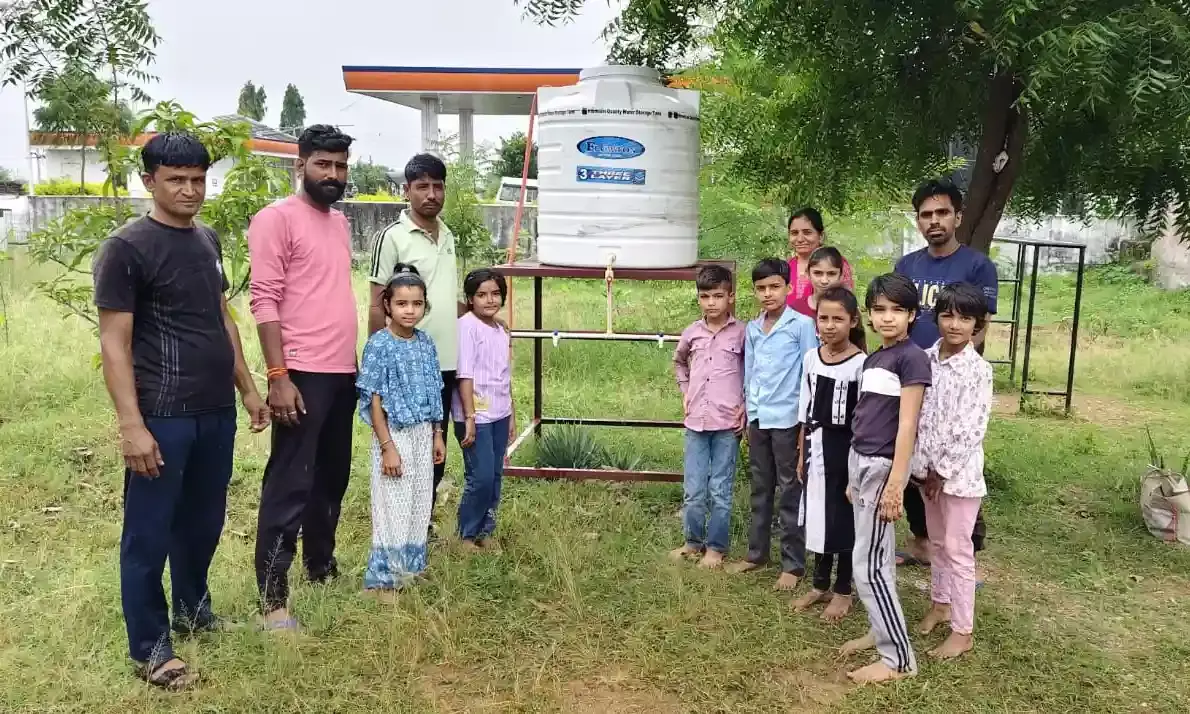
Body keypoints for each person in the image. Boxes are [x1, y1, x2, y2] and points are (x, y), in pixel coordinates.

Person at [93, 132, 269, 689]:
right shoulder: (127, 249)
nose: (190, 190)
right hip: (162, 414)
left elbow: (222, 318)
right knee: (148, 533)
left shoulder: (206, 239)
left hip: (215, 409)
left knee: (203, 522)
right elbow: (114, 343)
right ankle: (151, 648)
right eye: (176, 180)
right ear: (149, 181)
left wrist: (247, 388)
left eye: (198, 179)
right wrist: (131, 425)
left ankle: (194, 612)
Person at [249, 124, 357, 631]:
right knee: (290, 483)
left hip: (342, 371)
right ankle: (274, 600)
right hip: (300, 373)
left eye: (340, 166)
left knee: (332, 477)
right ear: (301, 165)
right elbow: (264, 300)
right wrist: (278, 375)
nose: (333, 174)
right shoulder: (275, 219)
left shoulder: (340, 223)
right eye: (323, 164)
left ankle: (321, 565)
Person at [893, 179, 998, 566]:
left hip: (953, 380)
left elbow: (982, 324)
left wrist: (956, 360)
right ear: (918, 221)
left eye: (942, 213)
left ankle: (965, 549)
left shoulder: (977, 266)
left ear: (958, 217)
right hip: (911, 377)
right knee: (911, 454)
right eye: (926, 215)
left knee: (956, 461)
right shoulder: (907, 266)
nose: (934, 220)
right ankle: (923, 540)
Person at [839, 273, 931, 684]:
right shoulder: (875, 358)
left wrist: (896, 483)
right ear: (869, 315)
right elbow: (865, 416)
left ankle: (897, 660)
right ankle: (879, 630)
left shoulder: (912, 359)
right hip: (860, 462)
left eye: (897, 310)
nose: (888, 317)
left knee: (868, 565)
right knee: (878, 556)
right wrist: (852, 477)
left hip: (882, 467)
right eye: (879, 309)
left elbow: (907, 424)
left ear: (912, 315)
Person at [368, 153, 462, 519]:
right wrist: (378, 361)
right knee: (401, 443)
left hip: (444, 362)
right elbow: (377, 303)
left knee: (434, 447)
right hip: (404, 363)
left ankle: (422, 524)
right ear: (406, 190)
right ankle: (396, 524)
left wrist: (487, 320)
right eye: (422, 187)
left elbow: (447, 297)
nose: (431, 194)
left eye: (438, 186)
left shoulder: (448, 235)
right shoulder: (392, 237)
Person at [912, 283, 993, 660]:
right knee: (937, 543)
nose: (955, 325)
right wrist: (922, 468)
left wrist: (941, 471)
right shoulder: (925, 359)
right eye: (948, 316)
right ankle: (941, 604)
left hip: (958, 478)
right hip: (925, 474)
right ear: (937, 318)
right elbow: (919, 416)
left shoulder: (978, 370)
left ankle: (963, 631)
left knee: (959, 550)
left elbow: (971, 428)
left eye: (965, 318)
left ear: (978, 324)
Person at [727, 258, 818, 590]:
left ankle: (793, 564)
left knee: (790, 489)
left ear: (788, 288)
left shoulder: (802, 325)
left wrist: (805, 422)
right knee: (761, 487)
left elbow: (811, 373)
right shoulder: (753, 329)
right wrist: (747, 409)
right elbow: (750, 372)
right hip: (759, 417)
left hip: (788, 419)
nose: (768, 294)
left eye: (774, 287)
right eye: (761, 288)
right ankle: (756, 554)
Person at [357, 265, 447, 600]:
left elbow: (434, 391)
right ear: (388, 305)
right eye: (402, 303)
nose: (410, 310)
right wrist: (387, 447)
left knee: (419, 502)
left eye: (417, 303)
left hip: (423, 433)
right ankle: (383, 581)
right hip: (393, 434)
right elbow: (373, 399)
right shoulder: (379, 344)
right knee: (392, 505)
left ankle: (409, 569)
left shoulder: (425, 343)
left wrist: (437, 434)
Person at [790, 286, 866, 622]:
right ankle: (819, 583)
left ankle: (843, 589)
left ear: (853, 321)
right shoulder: (811, 358)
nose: (830, 325)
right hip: (815, 447)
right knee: (818, 514)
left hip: (845, 449)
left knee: (843, 518)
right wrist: (801, 452)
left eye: (838, 319)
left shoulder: (861, 364)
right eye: (824, 318)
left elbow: (863, 419)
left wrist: (857, 464)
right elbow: (805, 408)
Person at [669, 265, 747, 569]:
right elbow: (679, 361)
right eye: (705, 296)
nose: (711, 302)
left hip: (727, 424)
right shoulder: (692, 332)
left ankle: (716, 547)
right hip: (696, 422)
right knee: (694, 488)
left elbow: (752, 372)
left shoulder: (743, 333)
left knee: (720, 489)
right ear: (698, 298)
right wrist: (685, 390)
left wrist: (745, 404)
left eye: (718, 295)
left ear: (731, 297)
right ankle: (692, 542)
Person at [454, 268, 514, 552]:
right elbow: (464, 375)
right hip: (475, 416)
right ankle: (466, 535)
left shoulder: (501, 330)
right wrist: (469, 417)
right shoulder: (466, 327)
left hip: (500, 412)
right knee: (480, 476)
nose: (490, 300)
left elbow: (505, 375)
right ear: (470, 299)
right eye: (481, 295)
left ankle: (485, 530)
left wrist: (511, 414)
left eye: (495, 294)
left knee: (495, 475)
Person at [786, 207, 854, 310]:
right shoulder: (786, 267)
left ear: (821, 236)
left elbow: (847, 304)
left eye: (807, 232)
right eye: (794, 233)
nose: (799, 239)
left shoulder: (837, 263)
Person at [789, 246, 848, 319]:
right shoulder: (795, 310)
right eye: (818, 273)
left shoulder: (848, 308)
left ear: (841, 276)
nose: (824, 281)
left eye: (831, 274)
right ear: (808, 274)